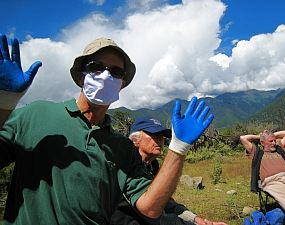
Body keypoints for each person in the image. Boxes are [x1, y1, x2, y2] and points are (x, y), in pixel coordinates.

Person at [0, 33, 215, 225]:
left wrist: (178, 148)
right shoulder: (35, 114)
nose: (105, 75)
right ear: (81, 76)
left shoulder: (122, 147)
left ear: (122, 83)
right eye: (96, 67)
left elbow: (149, 208)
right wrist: (4, 102)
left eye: (115, 71)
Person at [110, 117, 228, 225]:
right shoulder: (124, 166)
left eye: (162, 136)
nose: (160, 140)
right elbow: (152, 213)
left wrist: (196, 219)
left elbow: (165, 202)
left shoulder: (152, 166)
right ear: (135, 140)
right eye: (153, 135)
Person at [240, 130, 285, 222]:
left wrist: (271, 135)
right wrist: (259, 136)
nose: (274, 143)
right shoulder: (256, 152)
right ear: (262, 143)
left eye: (274, 140)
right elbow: (243, 138)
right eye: (271, 141)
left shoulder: (280, 149)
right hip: (272, 181)